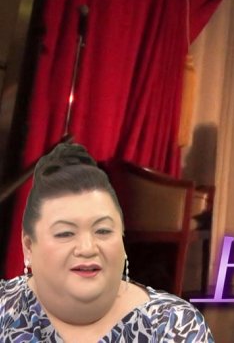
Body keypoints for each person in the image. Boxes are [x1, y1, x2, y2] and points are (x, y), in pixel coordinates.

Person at [0, 142, 214, 341]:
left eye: (103, 231)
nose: (87, 248)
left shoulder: (175, 325)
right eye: (65, 233)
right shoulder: (5, 311)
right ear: (28, 247)